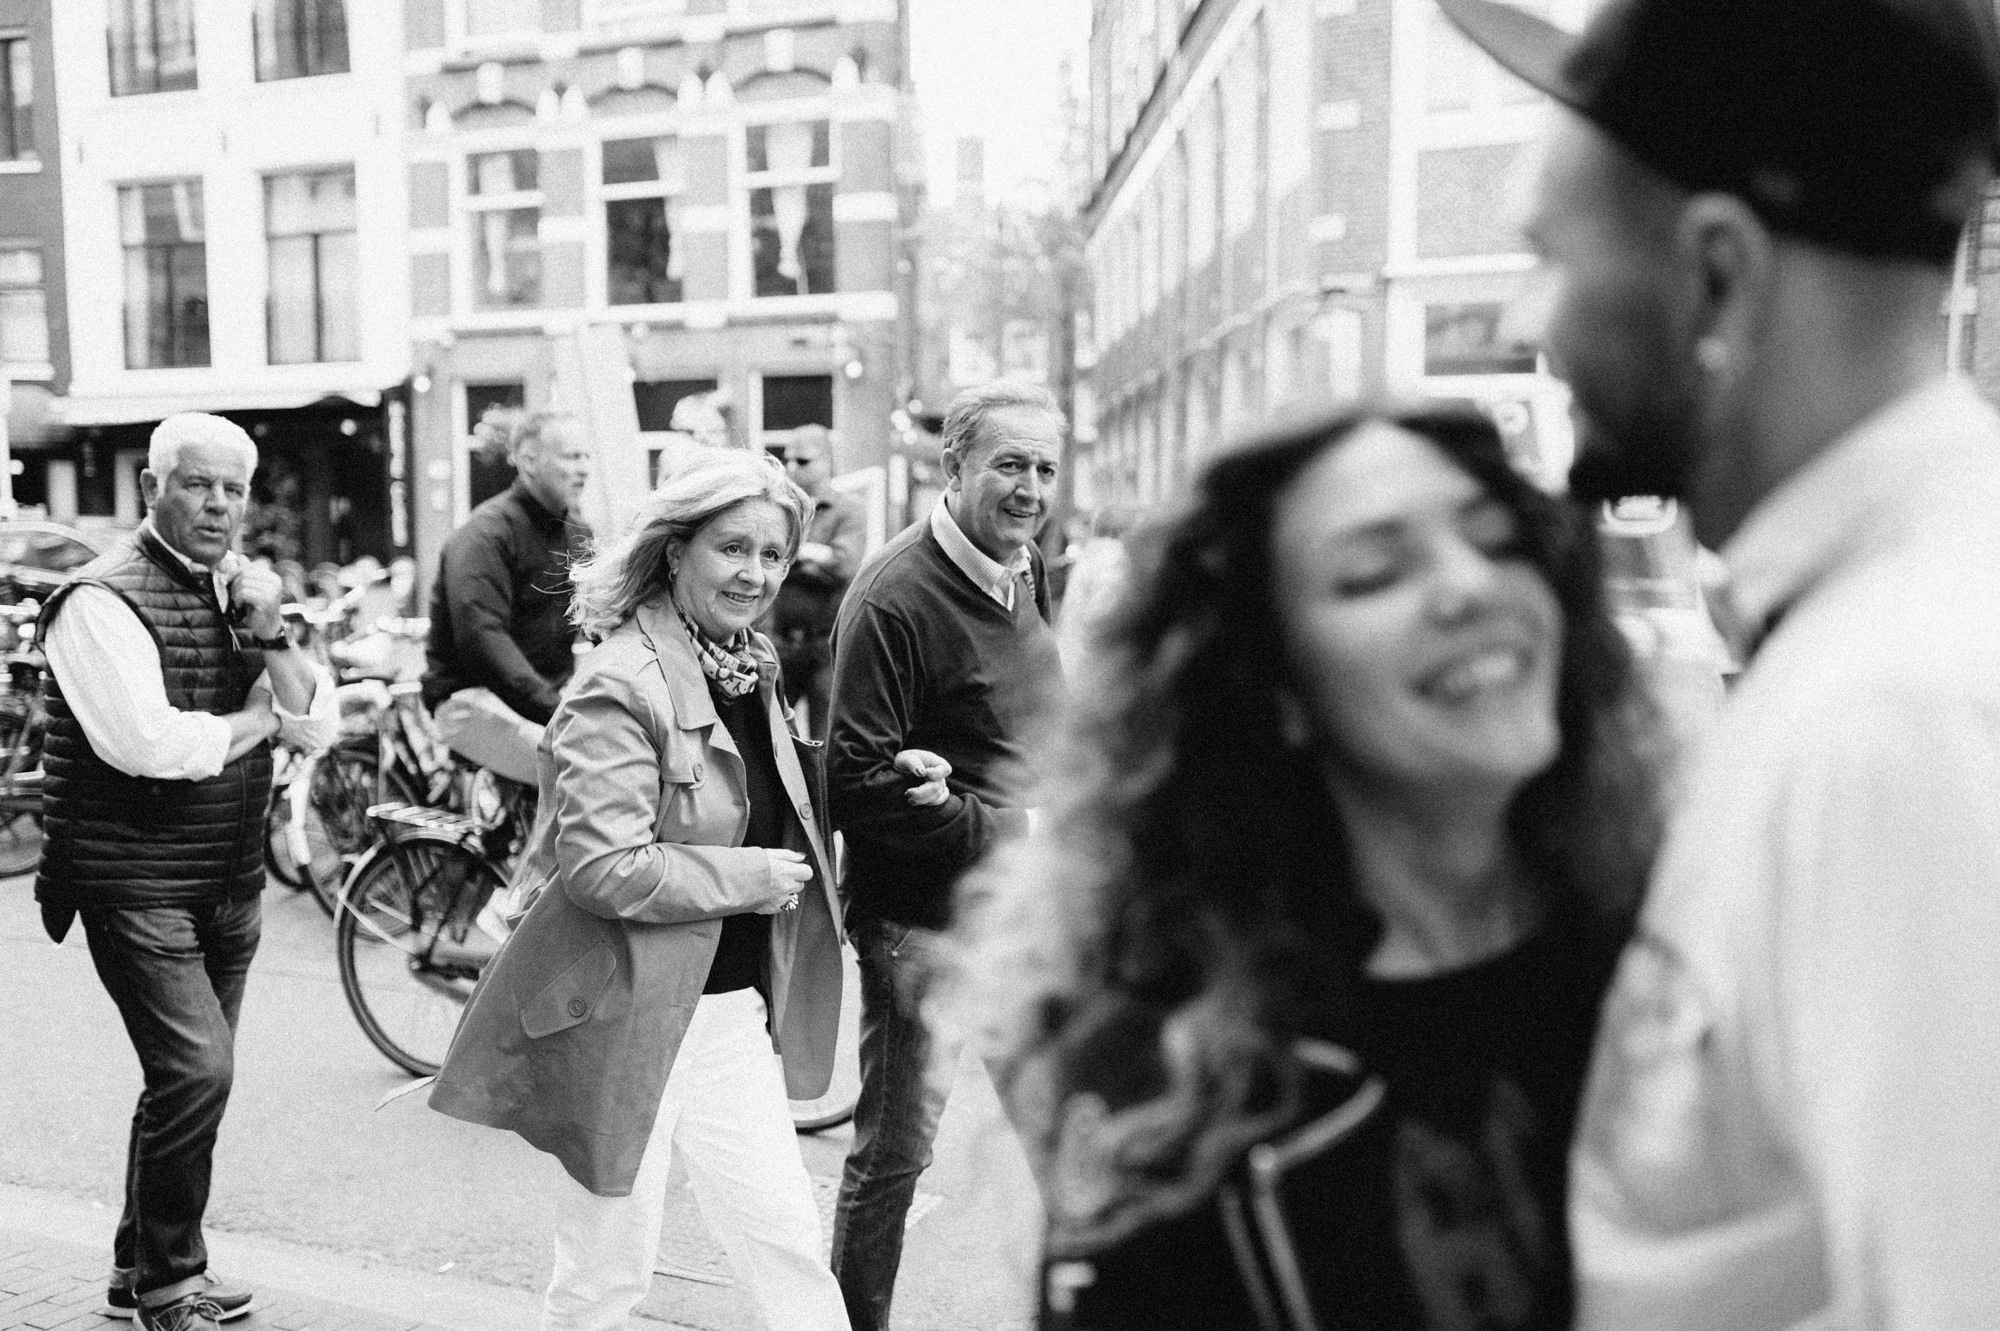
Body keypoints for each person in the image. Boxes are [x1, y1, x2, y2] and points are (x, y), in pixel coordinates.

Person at [1440, 0, 2000, 1324]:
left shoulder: (1901, 714)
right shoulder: (1875, 636)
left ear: (1719, 277)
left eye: (1550, 257)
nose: (1530, 317)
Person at [955, 404, 1657, 1330]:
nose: (1468, 588)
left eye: (1499, 541)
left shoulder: (1682, 945)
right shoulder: (1170, 1081)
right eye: (1374, 573)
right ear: (1275, 688)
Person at [427, 448, 850, 1331]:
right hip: (627, 1011)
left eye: (773, 555)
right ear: (675, 550)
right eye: (733, 548)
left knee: (784, 1240)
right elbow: (602, 864)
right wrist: (750, 878)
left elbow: (754, 792)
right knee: (605, 1272)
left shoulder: (744, 663)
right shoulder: (620, 682)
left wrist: (871, 779)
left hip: (727, 1011)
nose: (756, 574)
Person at [34, 413, 337, 1331]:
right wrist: (257, 724)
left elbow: (317, 723)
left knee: (183, 1080)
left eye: (234, 489)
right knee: (198, 1071)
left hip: (228, 874)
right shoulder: (98, 600)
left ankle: (139, 1269)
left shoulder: (241, 594)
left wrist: (275, 635)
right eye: (197, 484)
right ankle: (173, 1281)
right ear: (152, 489)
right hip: (129, 877)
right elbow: (148, 746)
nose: (218, 505)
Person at [826, 379, 1070, 1331]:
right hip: (921, 921)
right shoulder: (893, 598)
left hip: (1018, 916)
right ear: (954, 465)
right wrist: (1020, 828)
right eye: (1010, 463)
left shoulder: (1023, 567)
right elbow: (856, 781)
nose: (1031, 488)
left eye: (1046, 467)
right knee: (896, 1151)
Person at [421, 408, 592, 786]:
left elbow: (604, 619)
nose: (583, 468)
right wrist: (554, 709)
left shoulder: (578, 536)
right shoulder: (485, 535)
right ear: (528, 460)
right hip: (470, 700)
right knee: (579, 773)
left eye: (586, 456)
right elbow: (482, 639)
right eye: (570, 456)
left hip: (544, 697)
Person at [765, 424, 865, 737]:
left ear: (826, 462)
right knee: (773, 738)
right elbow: (767, 561)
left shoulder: (848, 510)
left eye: (803, 461)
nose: (792, 468)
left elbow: (844, 566)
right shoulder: (778, 511)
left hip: (825, 647)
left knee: (826, 741)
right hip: (779, 642)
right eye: (788, 460)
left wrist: (792, 558)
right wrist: (813, 558)